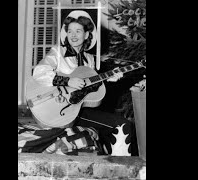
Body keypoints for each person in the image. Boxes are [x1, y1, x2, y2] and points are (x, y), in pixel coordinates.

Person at [32, 10, 138, 156]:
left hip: (80, 108)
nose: (73, 35)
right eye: (70, 31)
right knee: (122, 125)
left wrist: (111, 78)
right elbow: (39, 72)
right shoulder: (57, 52)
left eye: (78, 31)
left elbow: (89, 90)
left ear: (87, 35)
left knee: (119, 125)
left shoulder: (90, 59)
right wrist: (68, 80)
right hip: (62, 110)